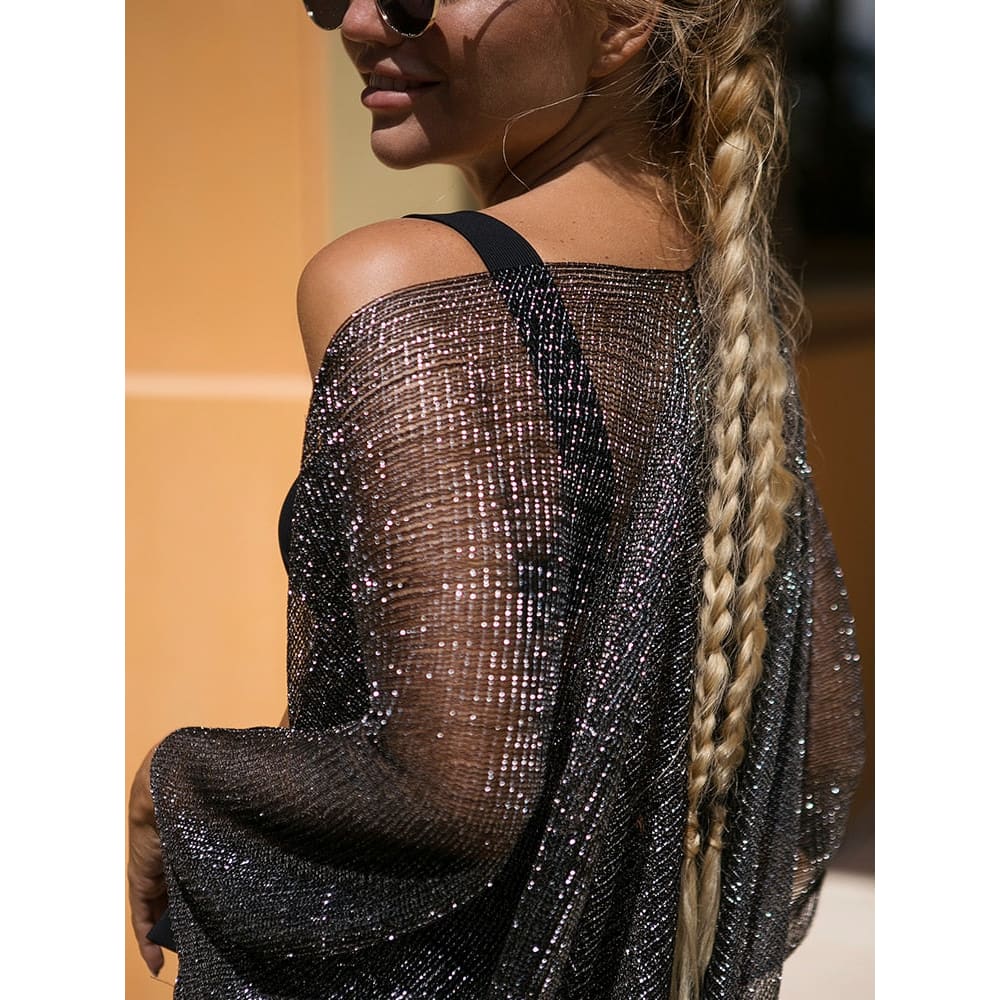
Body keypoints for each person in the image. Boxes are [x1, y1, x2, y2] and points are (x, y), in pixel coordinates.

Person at [128, 0, 866, 997]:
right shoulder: (728, 307)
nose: (360, 23)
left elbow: (454, 788)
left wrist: (179, 783)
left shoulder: (405, 286)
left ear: (621, 21)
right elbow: (816, 756)